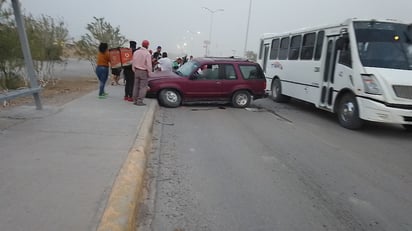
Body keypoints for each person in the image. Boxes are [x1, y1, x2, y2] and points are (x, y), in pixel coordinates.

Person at [132, 40, 152, 106]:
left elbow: (133, 62)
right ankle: (139, 101)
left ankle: (134, 100)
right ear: (147, 45)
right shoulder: (147, 53)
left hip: (136, 70)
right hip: (143, 71)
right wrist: (150, 73)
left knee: (136, 86)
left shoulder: (136, 52)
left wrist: (134, 70)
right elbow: (149, 65)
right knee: (143, 87)